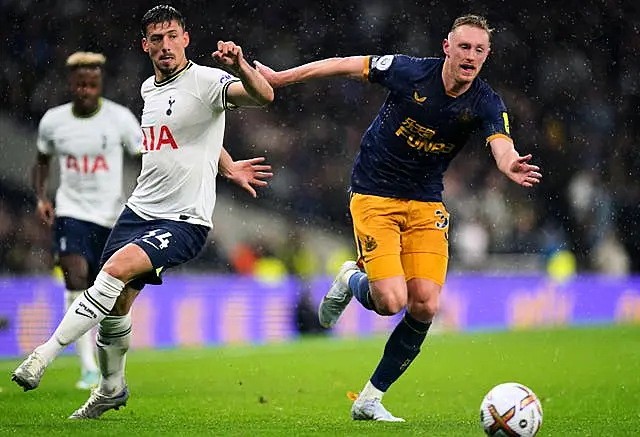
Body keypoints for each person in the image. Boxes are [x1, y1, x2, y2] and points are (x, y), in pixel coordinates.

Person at [255, 14, 541, 422]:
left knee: (424, 305)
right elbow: (343, 64)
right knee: (391, 302)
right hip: (375, 193)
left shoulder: (486, 101)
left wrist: (509, 164)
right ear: (447, 47)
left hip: (426, 202)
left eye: (479, 50)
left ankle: (369, 399)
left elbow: (501, 142)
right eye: (464, 47)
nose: (470, 56)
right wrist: (282, 78)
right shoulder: (409, 72)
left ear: (487, 56)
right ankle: (350, 278)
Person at [12, 4, 274, 420]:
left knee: (113, 271)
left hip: (184, 219)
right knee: (115, 306)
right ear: (145, 45)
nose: (165, 45)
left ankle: (43, 355)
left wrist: (240, 64)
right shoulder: (148, 89)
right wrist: (227, 164)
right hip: (139, 210)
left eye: (172, 36)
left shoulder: (208, 80)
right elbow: (184, 135)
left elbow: (264, 95)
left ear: (186, 39)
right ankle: (111, 388)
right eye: (157, 38)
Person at [33, 51, 142, 390]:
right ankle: (87, 367)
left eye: (92, 84)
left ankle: (108, 364)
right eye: (80, 84)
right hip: (72, 212)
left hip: (111, 217)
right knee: (75, 278)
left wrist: (143, 197)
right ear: (71, 84)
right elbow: (41, 161)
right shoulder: (53, 121)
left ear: (100, 84)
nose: (85, 90)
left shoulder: (120, 119)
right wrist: (41, 197)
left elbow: (144, 157)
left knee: (106, 291)